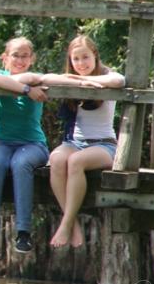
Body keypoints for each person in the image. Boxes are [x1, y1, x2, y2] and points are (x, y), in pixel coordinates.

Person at [40, 35, 125, 248]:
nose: (81, 64)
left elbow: (119, 81)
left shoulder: (108, 76)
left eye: (85, 57)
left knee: (76, 161)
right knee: (57, 159)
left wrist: (92, 81)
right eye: (75, 59)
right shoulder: (73, 78)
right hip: (75, 142)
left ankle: (66, 223)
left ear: (95, 56)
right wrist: (78, 80)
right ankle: (73, 223)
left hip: (104, 144)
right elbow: (46, 79)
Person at [0, 36, 49, 254]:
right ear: (5, 58)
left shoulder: (37, 78)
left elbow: (38, 77)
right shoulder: (0, 76)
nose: (20, 60)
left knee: (20, 164)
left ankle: (24, 233)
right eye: (15, 55)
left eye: (25, 56)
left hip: (33, 144)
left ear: (32, 58)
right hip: (2, 141)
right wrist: (27, 89)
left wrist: (29, 82)